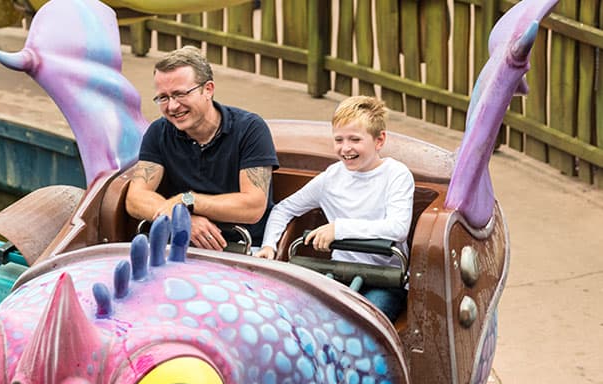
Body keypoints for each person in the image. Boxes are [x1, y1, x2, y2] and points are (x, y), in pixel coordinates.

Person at [255, 96, 414, 321]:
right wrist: (269, 245)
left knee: (364, 323)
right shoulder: (331, 177)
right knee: (299, 316)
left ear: (379, 141)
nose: (345, 148)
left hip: (385, 278)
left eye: (355, 139)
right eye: (339, 139)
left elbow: (397, 228)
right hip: (340, 273)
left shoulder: (396, 174)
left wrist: (337, 229)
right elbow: (284, 209)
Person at [126, 46, 278, 251]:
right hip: (180, 243)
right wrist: (183, 219)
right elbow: (135, 199)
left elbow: (253, 207)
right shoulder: (159, 131)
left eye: (180, 94)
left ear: (208, 89)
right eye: (163, 97)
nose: (172, 107)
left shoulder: (250, 129)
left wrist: (188, 200)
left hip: (243, 247)